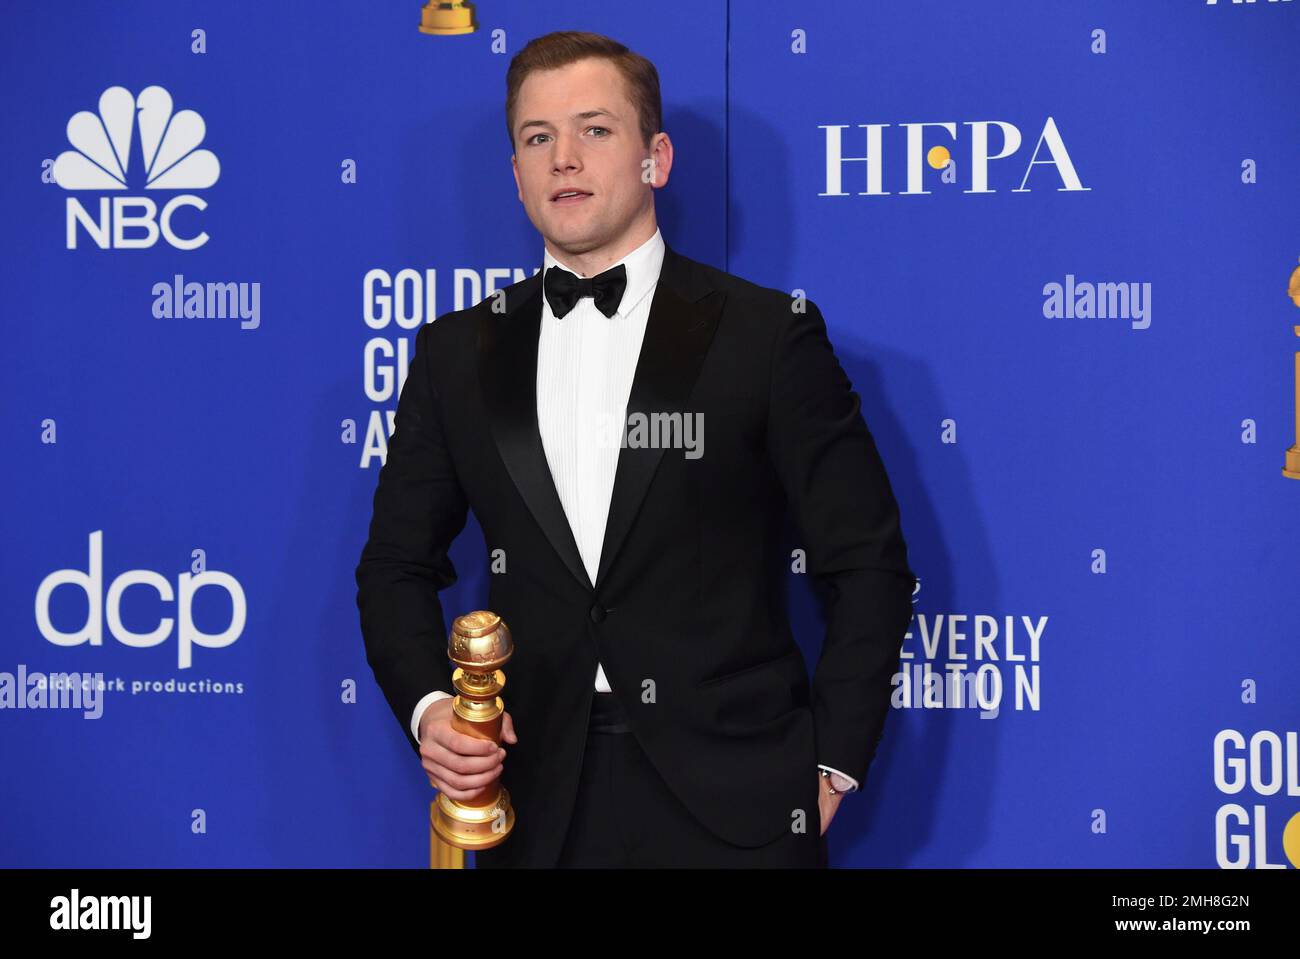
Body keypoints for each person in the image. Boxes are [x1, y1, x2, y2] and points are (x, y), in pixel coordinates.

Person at [354, 30, 916, 868]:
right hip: (535, 798)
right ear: (514, 174)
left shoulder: (765, 337)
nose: (564, 158)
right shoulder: (455, 352)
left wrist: (830, 765)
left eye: (596, 129)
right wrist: (435, 709)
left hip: (739, 804)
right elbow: (394, 565)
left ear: (656, 157)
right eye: (538, 138)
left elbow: (868, 561)